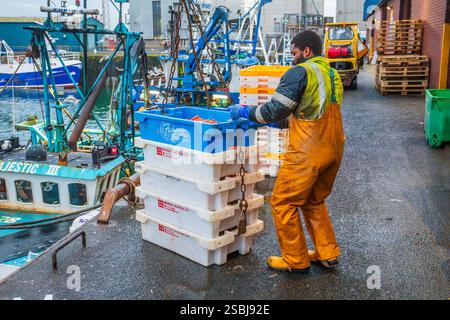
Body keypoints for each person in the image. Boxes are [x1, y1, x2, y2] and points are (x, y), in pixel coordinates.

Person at [229, 30, 345, 273]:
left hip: (308, 152)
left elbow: (275, 109)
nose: (292, 58)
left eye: (294, 53)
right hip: (333, 148)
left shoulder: (300, 71)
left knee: (283, 202)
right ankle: (327, 252)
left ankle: (295, 259)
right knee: (314, 200)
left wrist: (246, 113)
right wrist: (271, 122)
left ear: (306, 51)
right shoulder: (331, 74)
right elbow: (308, 112)